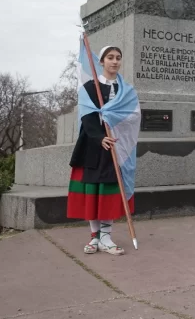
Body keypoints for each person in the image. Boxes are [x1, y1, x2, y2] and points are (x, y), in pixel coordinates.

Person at [67, 45, 140, 256]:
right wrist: (100, 138)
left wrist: (116, 125)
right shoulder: (89, 88)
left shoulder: (126, 90)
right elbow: (87, 117)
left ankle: (106, 237)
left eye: (118, 57)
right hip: (93, 147)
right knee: (93, 192)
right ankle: (94, 237)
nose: (114, 61)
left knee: (108, 192)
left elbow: (133, 115)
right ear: (102, 61)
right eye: (110, 57)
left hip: (115, 147)